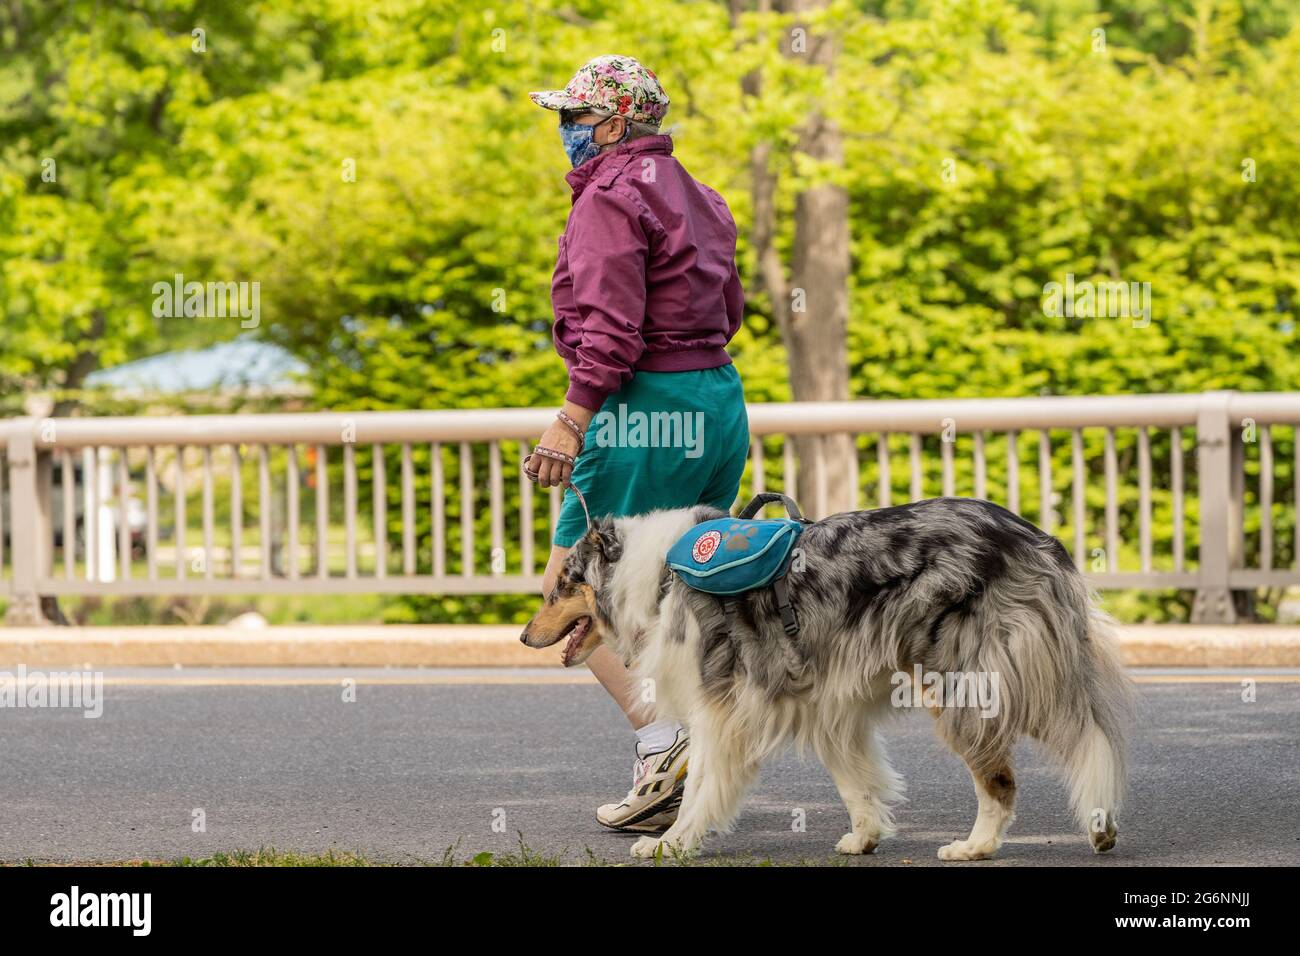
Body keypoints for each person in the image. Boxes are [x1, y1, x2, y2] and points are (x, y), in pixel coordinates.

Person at [526, 54, 750, 832]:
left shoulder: (608, 198)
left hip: (643, 409)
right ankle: (704, 746)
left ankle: (664, 746)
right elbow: (733, 307)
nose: (564, 132)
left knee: (572, 590)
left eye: (573, 118)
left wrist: (572, 416)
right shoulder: (704, 196)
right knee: (675, 588)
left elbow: (612, 328)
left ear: (616, 123)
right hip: (717, 403)